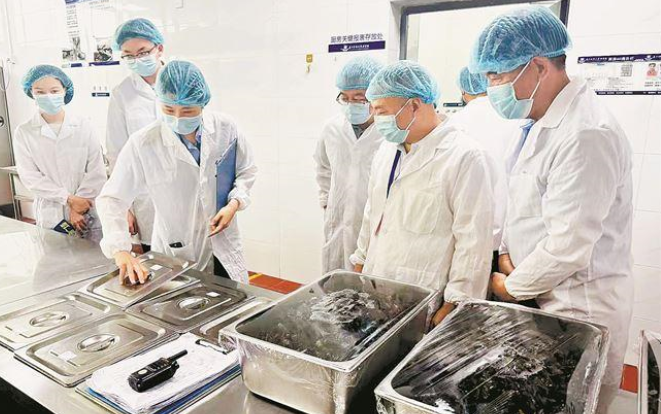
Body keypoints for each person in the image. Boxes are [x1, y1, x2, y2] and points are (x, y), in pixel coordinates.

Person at [471, 7, 633, 411]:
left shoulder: (586, 133)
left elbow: (568, 246)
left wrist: (508, 287)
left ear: (539, 67)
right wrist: (506, 254)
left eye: (497, 76)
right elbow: (523, 206)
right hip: (537, 294)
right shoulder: (537, 122)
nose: (491, 87)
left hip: (577, 308)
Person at [350, 60, 494, 326]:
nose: (376, 119)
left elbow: (473, 242)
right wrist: (359, 263)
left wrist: (455, 303)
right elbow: (373, 214)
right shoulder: (387, 150)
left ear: (414, 105)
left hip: (427, 298)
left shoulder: (464, 157)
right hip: (377, 286)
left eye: (382, 111)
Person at [97, 60, 258, 285]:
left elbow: (246, 169)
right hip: (177, 248)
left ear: (202, 102)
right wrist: (120, 250)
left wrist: (234, 203)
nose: (178, 118)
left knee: (233, 296)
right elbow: (112, 198)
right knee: (181, 300)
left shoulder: (225, 128)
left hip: (222, 241)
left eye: (188, 111)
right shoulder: (144, 142)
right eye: (169, 110)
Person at [14, 65, 106, 241]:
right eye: (40, 92)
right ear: (31, 93)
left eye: (54, 90)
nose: (48, 96)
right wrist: (68, 199)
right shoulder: (25, 132)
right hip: (51, 214)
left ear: (65, 90)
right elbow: (30, 177)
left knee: (93, 256)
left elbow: (96, 170)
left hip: (87, 209)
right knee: (56, 256)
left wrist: (78, 205)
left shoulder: (84, 126)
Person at [447, 67, 522, 274]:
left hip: (467, 237)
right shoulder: (517, 120)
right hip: (510, 241)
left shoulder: (454, 124)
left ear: (463, 92)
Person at [314, 56, 384, 273]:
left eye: (359, 98)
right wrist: (326, 201)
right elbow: (323, 166)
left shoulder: (389, 133)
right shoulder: (332, 128)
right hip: (338, 221)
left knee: (370, 284)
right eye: (345, 98)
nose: (351, 104)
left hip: (374, 226)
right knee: (335, 282)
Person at [106, 18, 165, 254]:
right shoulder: (122, 93)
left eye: (143, 52)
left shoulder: (182, 80)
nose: (137, 59)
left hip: (186, 192)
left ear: (159, 48)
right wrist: (126, 208)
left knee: (195, 260)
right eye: (129, 55)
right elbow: (116, 152)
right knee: (156, 259)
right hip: (144, 195)